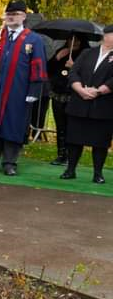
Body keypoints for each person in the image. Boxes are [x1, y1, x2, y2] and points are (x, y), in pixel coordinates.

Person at [0, 0, 47, 176]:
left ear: (23, 17)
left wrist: (34, 91)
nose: (10, 17)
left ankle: (10, 163)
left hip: (18, 91)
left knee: (13, 125)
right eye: (8, 14)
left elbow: (38, 66)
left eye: (14, 14)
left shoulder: (33, 39)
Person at [63, 25, 113, 183]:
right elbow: (74, 72)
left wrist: (98, 91)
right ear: (105, 36)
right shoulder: (87, 52)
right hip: (79, 102)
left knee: (100, 142)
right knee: (74, 139)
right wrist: (79, 89)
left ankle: (97, 173)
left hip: (103, 105)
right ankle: (70, 170)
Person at [46, 36, 85, 165]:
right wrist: (57, 58)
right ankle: (61, 154)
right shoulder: (62, 51)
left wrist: (74, 67)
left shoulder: (86, 54)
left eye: (78, 40)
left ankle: (72, 157)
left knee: (73, 127)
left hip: (75, 96)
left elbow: (89, 75)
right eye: (72, 40)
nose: (75, 42)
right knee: (60, 126)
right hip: (58, 94)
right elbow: (48, 70)